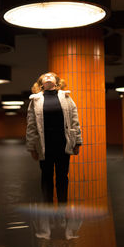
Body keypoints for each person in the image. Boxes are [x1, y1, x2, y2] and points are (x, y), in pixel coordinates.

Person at [26, 72, 82, 203]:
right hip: (44, 144)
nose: (48, 77)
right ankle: (48, 205)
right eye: (45, 76)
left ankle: (63, 205)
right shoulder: (35, 100)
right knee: (46, 176)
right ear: (41, 84)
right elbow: (31, 125)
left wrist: (77, 142)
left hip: (63, 142)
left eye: (51, 76)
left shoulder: (66, 98)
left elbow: (75, 121)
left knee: (62, 176)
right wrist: (32, 147)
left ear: (56, 82)